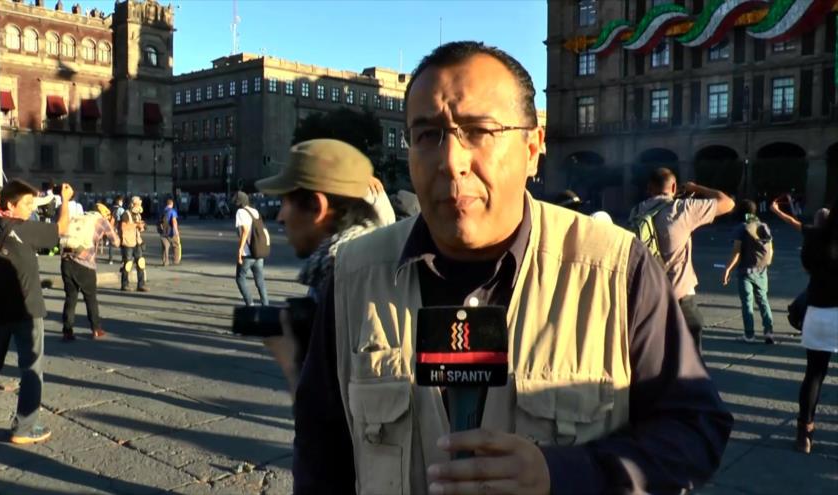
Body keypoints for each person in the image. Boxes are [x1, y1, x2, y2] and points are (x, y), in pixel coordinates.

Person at [293, 41, 733, 494]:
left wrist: (562, 474)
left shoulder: (617, 270)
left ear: (532, 146)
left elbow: (694, 429)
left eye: (479, 131)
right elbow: (319, 449)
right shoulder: (353, 276)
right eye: (427, 135)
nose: (451, 161)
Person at [254, 139, 395, 397]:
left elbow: (327, 424)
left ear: (317, 207)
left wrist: (291, 361)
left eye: (286, 202)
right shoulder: (363, 263)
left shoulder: (343, 279)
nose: (280, 217)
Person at [0, 179, 73, 444]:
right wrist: (65, 199)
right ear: (11, 204)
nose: (31, 208)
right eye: (27, 203)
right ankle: (24, 427)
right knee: (32, 368)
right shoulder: (23, 228)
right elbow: (61, 228)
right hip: (25, 310)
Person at [630, 168, 734, 352]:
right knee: (690, 361)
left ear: (649, 188)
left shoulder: (636, 212)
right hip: (679, 297)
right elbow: (727, 203)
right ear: (674, 186)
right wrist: (696, 188)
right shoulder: (682, 209)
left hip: (648, 298)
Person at [792, 198, 837, 454]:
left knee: (814, 375)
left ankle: (804, 432)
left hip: (819, 312)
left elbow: (808, 267)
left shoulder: (814, 240)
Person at [60, 203, 120, 342]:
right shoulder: (101, 220)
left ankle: (67, 331)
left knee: (70, 297)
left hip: (66, 260)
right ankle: (96, 329)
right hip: (85, 263)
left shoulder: (77, 217)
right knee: (90, 298)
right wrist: (109, 226)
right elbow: (116, 242)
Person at [722, 200, 775, 344]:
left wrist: (728, 268)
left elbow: (736, 252)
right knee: (763, 301)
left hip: (746, 271)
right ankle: (769, 332)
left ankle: (749, 335)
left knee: (747, 302)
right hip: (761, 270)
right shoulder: (762, 225)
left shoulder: (741, 228)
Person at [233, 192, 270, 306]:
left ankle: (250, 304)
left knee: (240, 278)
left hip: (248, 253)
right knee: (260, 280)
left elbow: (245, 231)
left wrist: (240, 250)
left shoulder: (240, 212)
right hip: (258, 251)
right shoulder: (255, 211)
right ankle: (266, 305)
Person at [119, 196, 148, 292]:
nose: (139, 206)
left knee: (141, 263)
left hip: (137, 242)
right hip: (128, 243)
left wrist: (142, 227)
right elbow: (123, 227)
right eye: (137, 204)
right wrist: (136, 225)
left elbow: (140, 228)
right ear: (132, 204)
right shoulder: (126, 214)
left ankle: (141, 285)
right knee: (127, 263)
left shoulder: (138, 215)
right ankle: (124, 284)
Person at [159, 198, 181, 266]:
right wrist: (176, 231)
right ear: (172, 204)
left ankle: (165, 261)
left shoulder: (161, 211)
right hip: (171, 232)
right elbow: (174, 222)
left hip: (162, 231)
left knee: (165, 247)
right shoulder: (172, 211)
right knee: (176, 245)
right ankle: (176, 260)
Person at [108, 195, 126, 264]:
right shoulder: (121, 210)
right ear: (118, 201)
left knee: (111, 244)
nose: (122, 202)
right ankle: (123, 260)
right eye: (121, 201)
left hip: (110, 228)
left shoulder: (110, 208)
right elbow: (122, 220)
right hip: (118, 228)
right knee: (121, 244)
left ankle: (110, 259)